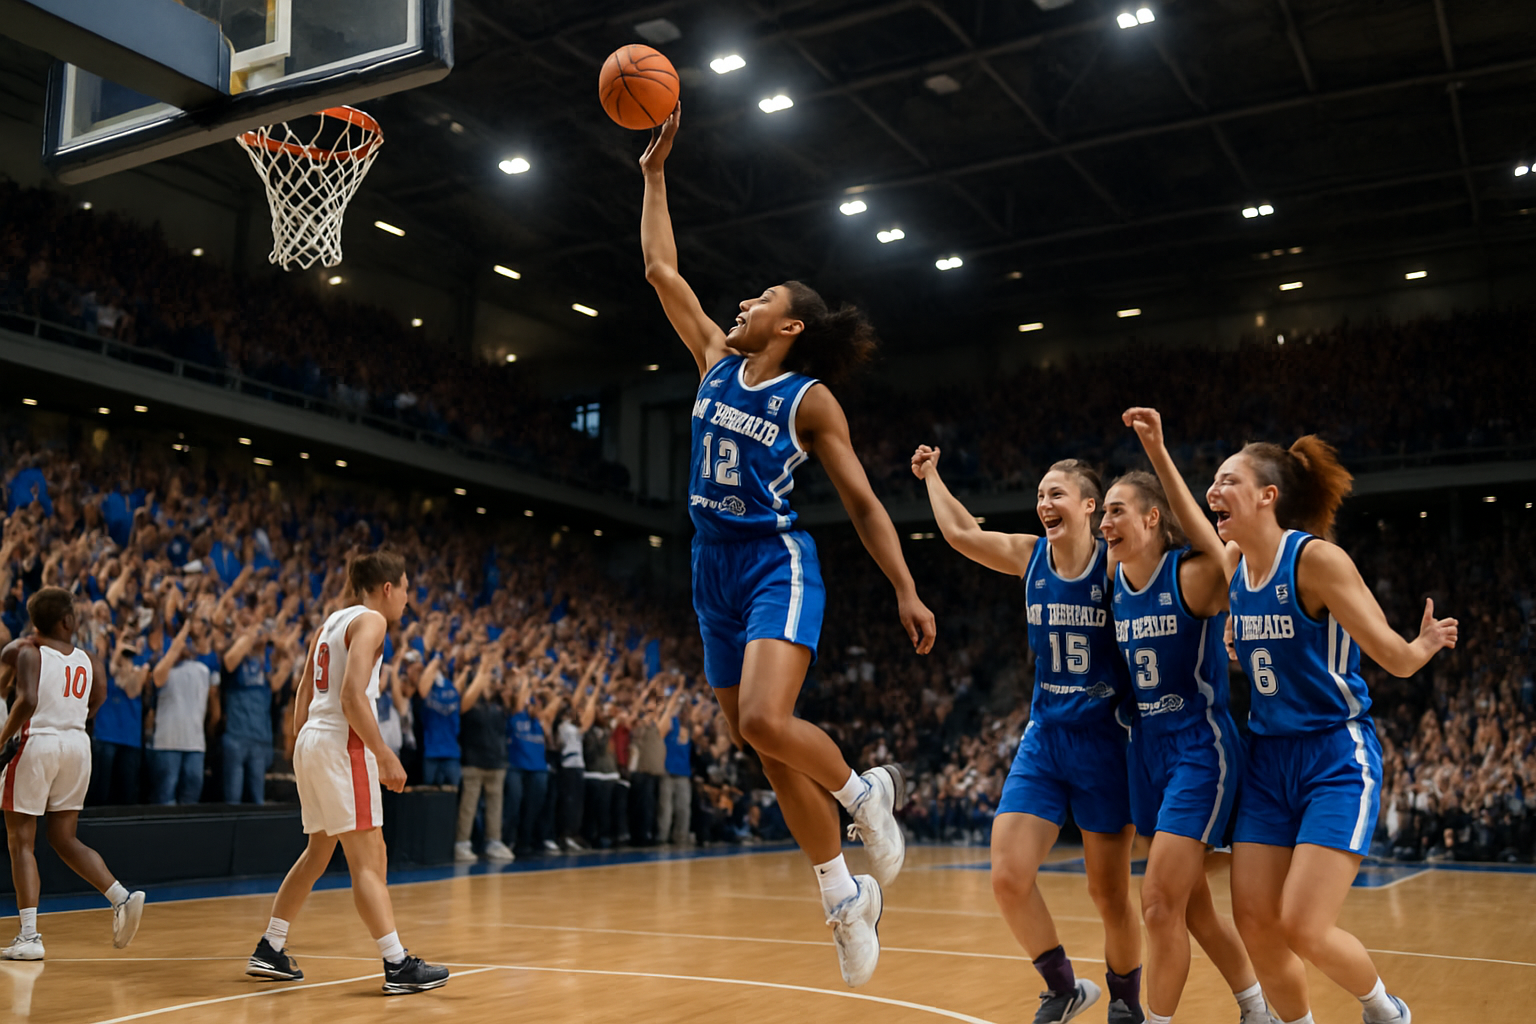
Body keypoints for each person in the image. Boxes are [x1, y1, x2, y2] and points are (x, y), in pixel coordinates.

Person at [640, 108, 937, 989]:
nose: (740, 302)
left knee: (770, 721)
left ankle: (861, 793)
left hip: (776, 562)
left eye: (760, 298)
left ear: (791, 326)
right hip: (710, 567)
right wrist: (654, 175)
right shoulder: (712, 362)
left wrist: (906, 588)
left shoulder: (810, 402)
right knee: (754, 742)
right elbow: (662, 268)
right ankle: (842, 896)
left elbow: (865, 503)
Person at [1208, 436, 1457, 1024]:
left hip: (1333, 756)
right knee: (1255, 923)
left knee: (1303, 924)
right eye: (1213, 483)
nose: (1215, 492)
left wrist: (1424, 643)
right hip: (1267, 759)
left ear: (1269, 496)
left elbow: (1394, 658)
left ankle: (1383, 1008)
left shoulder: (1318, 561)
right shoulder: (1234, 563)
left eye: (1228, 482)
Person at [913, 447, 1140, 1024]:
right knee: (1009, 877)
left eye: (1056, 494)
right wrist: (933, 475)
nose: (1044, 503)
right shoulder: (1029, 556)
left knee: (1109, 895)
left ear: (1091, 506)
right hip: (1044, 740)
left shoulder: (1117, 568)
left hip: (1106, 746)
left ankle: (1126, 1003)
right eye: (1040, 495)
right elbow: (963, 532)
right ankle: (1063, 989)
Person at [1103, 409, 1275, 1024]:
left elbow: (1214, 542)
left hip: (1199, 748)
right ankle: (1257, 1009)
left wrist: (1156, 449)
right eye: (1103, 513)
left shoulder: (1195, 576)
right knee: (1193, 910)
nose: (1105, 522)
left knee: (1155, 904)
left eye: (1117, 510)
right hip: (1144, 750)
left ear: (1152, 518)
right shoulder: (1112, 581)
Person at [245, 549, 449, 995]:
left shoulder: (332, 622)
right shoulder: (374, 621)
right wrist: (384, 753)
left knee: (319, 852)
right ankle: (397, 964)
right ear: (388, 587)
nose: (409, 600)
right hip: (343, 742)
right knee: (370, 857)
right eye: (408, 589)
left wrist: (302, 742)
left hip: (314, 740)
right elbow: (352, 696)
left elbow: (303, 688)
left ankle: (270, 946)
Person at [0, 587, 145, 960]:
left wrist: (2, 738)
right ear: (66, 621)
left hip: (40, 743)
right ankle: (120, 897)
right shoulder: (90, 659)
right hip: (78, 746)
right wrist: (72, 720)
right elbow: (97, 698)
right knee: (65, 838)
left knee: (21, 841)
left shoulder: (28, 651)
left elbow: (27, 700)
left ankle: (29, 937)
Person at [148, 614, 221, 805]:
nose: (184, 647)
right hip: (167, 743)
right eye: (180, 644)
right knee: (165, 796)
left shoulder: (203, 670)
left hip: (195, 743)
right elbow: (157, 678)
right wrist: (177, 644)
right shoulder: (163, 668)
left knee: (191, 795)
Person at [454, 655, 513, 863]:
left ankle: (494, 841)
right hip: (473, 759)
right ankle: (462, 843)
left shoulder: (498, 703)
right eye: (489, 676)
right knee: (468, 806)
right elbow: (463, 706)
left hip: (496, 760)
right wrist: (483, 671)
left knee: (495, 806)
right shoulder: (470, 698)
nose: (492, 679)